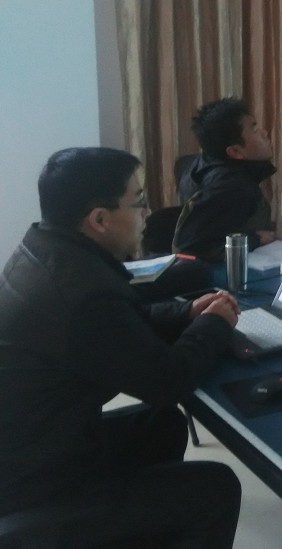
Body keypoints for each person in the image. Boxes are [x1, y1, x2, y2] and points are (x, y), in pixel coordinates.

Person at [0, 147, 241, 546]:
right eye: (139, 201)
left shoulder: (44, 248)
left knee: (162, 424)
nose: (148, 212)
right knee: (216, 489)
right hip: (36, 484)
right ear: (99, 219)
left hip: (35, 447)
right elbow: (169, 381)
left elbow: (116, 327)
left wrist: (186, 313)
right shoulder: (83, 292)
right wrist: (215, 324)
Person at [173, 96, 277, 261]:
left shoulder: (203, 162)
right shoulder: (233, 187)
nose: (264, 133)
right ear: (235, 151)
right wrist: (254, 239)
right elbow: (189, 247)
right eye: (254, 129)